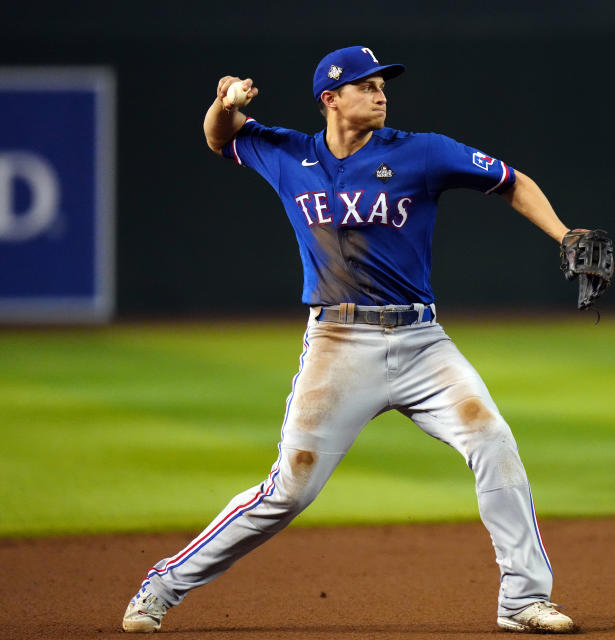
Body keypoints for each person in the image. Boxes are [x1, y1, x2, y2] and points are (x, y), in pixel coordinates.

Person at [122, 45, 580, 634]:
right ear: (330, 99)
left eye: (383, 83)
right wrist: (222, 103)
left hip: (422, 342)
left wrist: (564, 235)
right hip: (337, 344)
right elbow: (220, 136)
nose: (381, 92)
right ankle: (161, 586)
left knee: (493, 442)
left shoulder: (423, 151)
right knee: (289, 489)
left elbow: (511, 182)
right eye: (366, 85)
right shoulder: (288, 153)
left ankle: (522, 600)